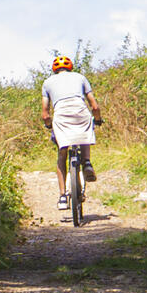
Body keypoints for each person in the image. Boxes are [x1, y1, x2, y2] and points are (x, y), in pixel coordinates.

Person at [42, 55, 101, 210]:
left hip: (61, 116)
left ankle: (62, 197)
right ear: (70, 67)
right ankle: (86, 162)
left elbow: (45, 115)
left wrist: (49, 125)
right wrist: (98, 119)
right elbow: (94, 106)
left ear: (55, 69)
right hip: (80, 112)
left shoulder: (47, 83)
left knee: (62, 154)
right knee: (85, 135)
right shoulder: (80, 77)